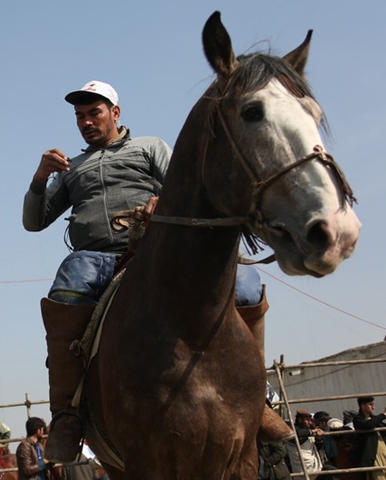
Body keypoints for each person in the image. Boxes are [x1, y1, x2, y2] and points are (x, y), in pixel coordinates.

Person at [22, 80, 274, 462]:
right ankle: (67, 413)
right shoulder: (72, 169)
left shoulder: (150, 147)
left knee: (247, 283)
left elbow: (187, 187)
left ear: (115, 113)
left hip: (157, 251)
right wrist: (41, 177)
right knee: (67, 287)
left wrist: (163, 200)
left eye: (94, 113)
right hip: (96, 256)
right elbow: (33, 221)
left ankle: (258, 399)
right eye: (80, 116)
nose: (86, 121)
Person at [352, 396, 386, 480]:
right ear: (362, 406)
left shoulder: (374, 419)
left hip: (384, 452)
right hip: (373, 455)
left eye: (373, 404)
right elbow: (368, 425)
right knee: (379, 476)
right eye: (370, 404)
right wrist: (384, 414)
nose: (373, 407)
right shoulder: (358, 419)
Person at [285, 410, 324, 476]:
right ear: (300, 420)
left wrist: (318, 439)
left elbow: (316, 449)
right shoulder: (293, 429)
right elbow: (296, 433)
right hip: (301, 467)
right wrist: (312, 431)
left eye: (310, 420)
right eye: (307, 420)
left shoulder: (308, 430)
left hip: (314, 465)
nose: (309, 422)